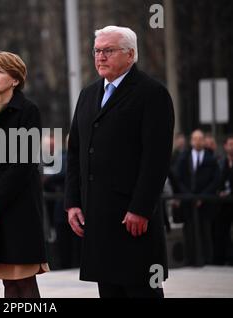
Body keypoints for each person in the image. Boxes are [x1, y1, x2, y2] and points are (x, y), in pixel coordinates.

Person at [64, 26, 174, 298]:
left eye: (108, 50)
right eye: (97, 51)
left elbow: (156, 159)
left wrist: (141, 208)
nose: (100, 56)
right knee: (110, 291)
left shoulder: (152, 93)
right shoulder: (88, 94)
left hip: (132, 219)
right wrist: (73, 202)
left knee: (141, 290)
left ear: (131, 54)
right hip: (98, 219)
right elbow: (76, 151)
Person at [0, 51, 49, 298]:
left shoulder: (27, 111)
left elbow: (24, 164)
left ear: (15, 79)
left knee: (24, 279)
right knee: (8, 283)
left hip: (19, 208)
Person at [174, 129, 220, 265]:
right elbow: (178, 177)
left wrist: (203, 196)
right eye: (195, 139)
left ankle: (207, 259)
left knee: (205, 231)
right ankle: (191, 259)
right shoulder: (184, 157)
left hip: (205, 202)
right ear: (191, 141)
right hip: (188, 201)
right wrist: (188, 195)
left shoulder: (210, 158)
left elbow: (215, 180)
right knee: (189, 231)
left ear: (204, 140)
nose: (198, 141)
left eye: (200, 139)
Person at [213, 136, 233, 265]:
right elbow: (218, 180)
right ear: (225, 146)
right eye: (230, 144)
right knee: (222, 231)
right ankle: (223, 258)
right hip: (224, 205)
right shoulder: (221, 162)